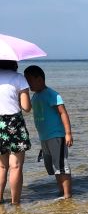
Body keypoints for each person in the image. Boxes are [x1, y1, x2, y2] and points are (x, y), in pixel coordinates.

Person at [24, 65, 73, 199]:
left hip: (57, 136)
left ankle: (67, 195)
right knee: (52, 166)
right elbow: (26, 108)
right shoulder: (35, 97)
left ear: (39, 79)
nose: (27, 85)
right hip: (44, 137)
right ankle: (61, 191)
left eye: (29, 81)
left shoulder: (52, 94)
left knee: (61, 165)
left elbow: (63, 112)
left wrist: (68, 133)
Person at [0, 60, 32, 204]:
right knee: (16, 166)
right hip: (14, 123)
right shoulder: (19, 78)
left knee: (1, 166)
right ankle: (15, 203)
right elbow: (26, 107)